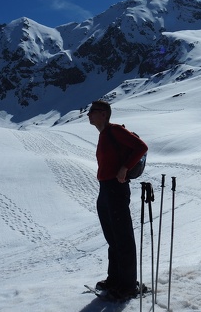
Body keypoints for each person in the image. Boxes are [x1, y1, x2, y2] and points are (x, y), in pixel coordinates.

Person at [87, 100, 148, 301]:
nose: (89, 115)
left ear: (103, 114)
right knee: (112, 238)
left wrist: (124, 168)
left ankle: (128, 285)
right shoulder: (104, 134)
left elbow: (141, 147)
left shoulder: (115, 131)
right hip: (105, 189)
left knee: (123, 238)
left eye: (92, 112)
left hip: (116, 188)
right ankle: (115, 279)